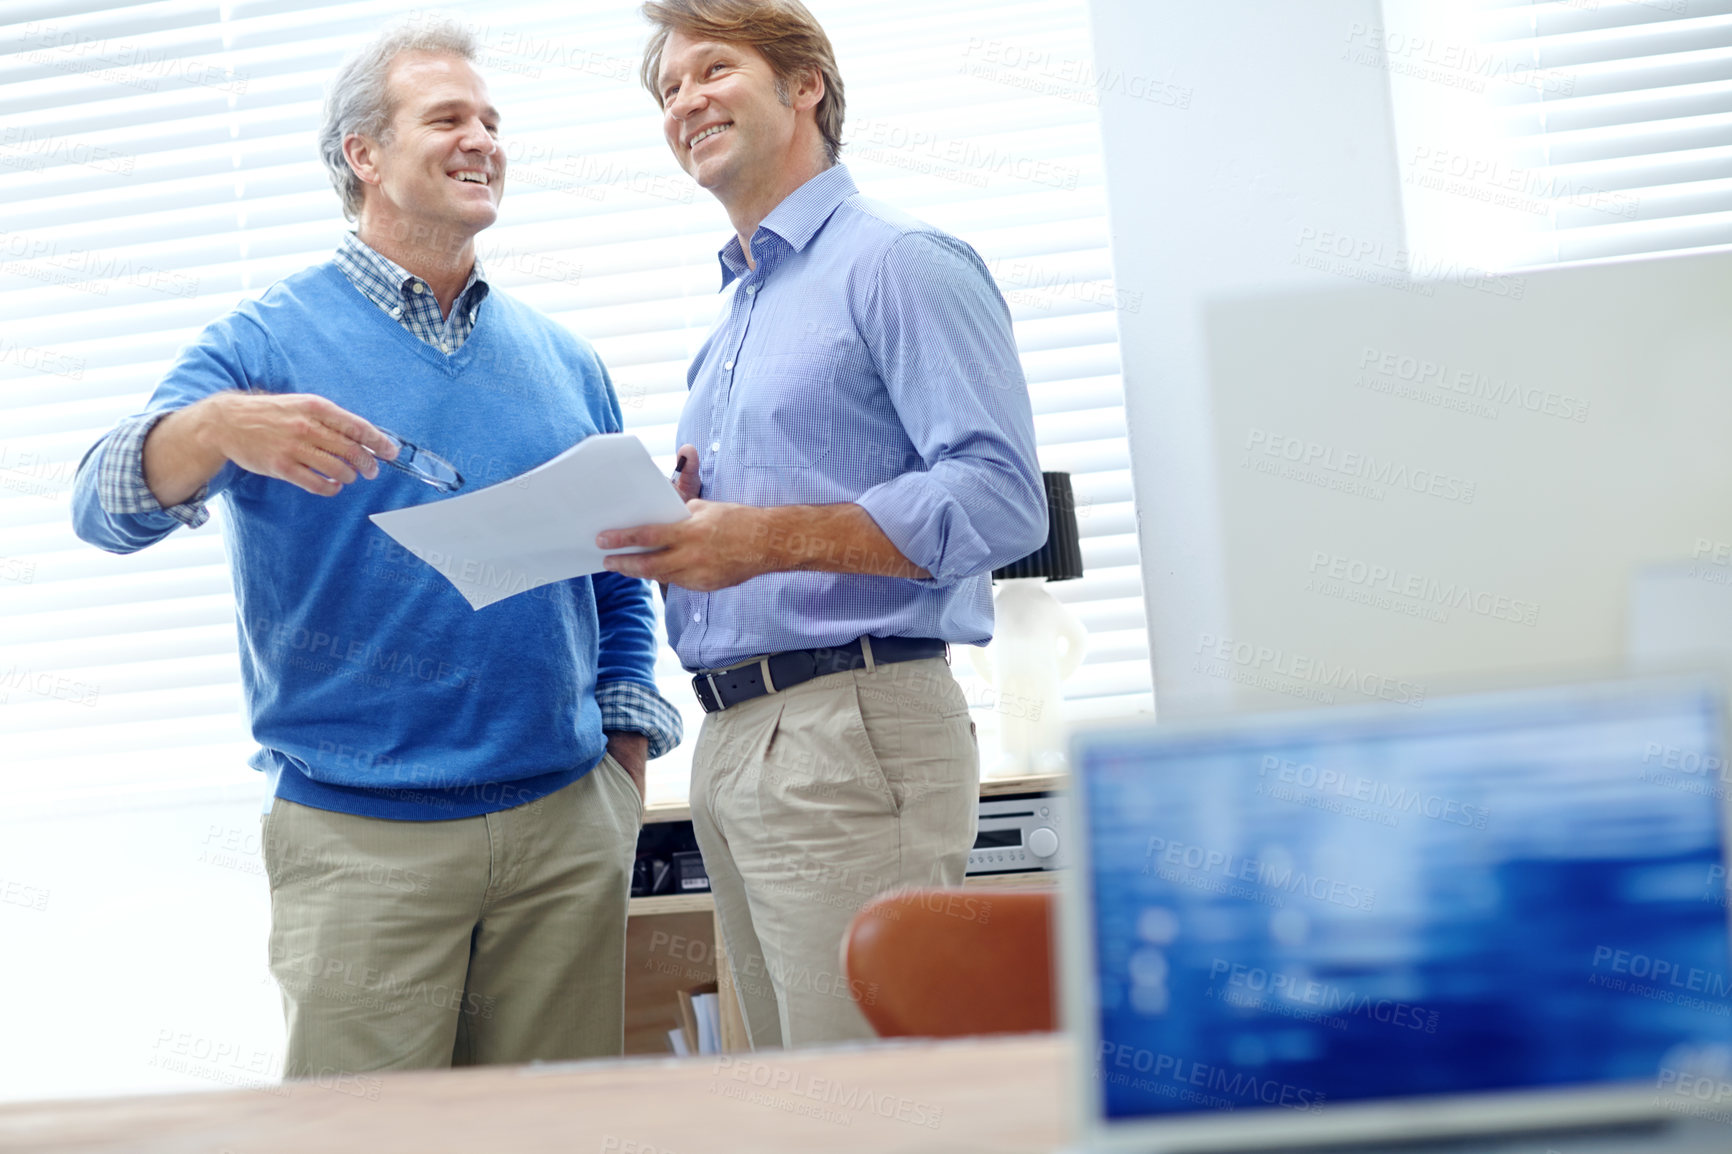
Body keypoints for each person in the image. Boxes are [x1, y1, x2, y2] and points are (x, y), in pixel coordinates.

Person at [70, 17, 681, 1076]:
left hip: (562, 830)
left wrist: (619, 766)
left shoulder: (563, 360)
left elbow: (620, 576)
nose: (482, 139)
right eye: (447, 117)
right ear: (363, 154)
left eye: (492, 120)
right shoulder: (262, 343)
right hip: (363, 846)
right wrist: (213, 429)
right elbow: (99, 504)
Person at [599, 0, 1047, 1048]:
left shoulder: (898, 261)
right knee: (795, 1096)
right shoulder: (736, 317)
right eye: (668, 89)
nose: (685, 101)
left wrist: (760, 539)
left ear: (805, 85)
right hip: (735, 734)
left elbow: (998, 495)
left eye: (712, 69)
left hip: (850, 722)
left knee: (862, 1102)